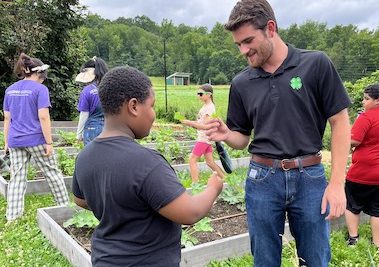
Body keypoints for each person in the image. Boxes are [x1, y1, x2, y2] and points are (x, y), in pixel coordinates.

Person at [201, 0, 352, 266]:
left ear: (270, 28)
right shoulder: (241, 83)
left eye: (248, 41)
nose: (243, 51)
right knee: (265, 260)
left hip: (310, 177)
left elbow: (340, 122)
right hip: (262, 179)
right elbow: (242, 139)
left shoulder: (315, 64)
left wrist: (337, 184)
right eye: (238, 44)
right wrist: (226, 134)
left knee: (316, 259)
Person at [72, 66, 223, 266]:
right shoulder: (146, 162)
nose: (153, 115)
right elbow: (190, 212)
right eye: (151, 106)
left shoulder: (85, 156)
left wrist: (115, 203)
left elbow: (80, 200)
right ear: (134, 106)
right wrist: (213, 187)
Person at [3, 53, 69, 222]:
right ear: (39, 74)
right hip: (37, 139)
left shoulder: (10, 90)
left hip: (16, 140)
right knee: (53, 174)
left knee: (17, 177)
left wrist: (6, 142)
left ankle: (12, 216)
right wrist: (49, 142)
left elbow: (8, 118)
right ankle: (63, 208)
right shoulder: (40, 90)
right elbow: (44, 117)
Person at [345, 83, 379, 247]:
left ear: (378, 100)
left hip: (362, 172)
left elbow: (353, 140)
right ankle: (378, 244)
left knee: (352, 205)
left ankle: (353, 239)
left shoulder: (366, 117)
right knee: (378, 210)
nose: (363, 103)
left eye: (367, 99)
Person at [181, 84, 225, 182]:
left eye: (200, 94)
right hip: (205, 138)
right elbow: (201, 123)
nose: (198, 96)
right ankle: (225, 178)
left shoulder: (209, 108)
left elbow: (205, 127)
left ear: (209, 95)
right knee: (210, 162)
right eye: (198, 94)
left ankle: (195, 184)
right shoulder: (205, 106)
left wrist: (189, 123)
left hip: (204, 138)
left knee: (192, 160)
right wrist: (189, 122)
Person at [75, 56, 108, 145]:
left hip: (92, 127)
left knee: (91, 157)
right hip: (109, 127)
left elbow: (84, 114)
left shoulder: (87, 90)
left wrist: (78, 134)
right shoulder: (111, 89)